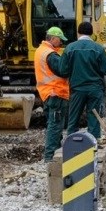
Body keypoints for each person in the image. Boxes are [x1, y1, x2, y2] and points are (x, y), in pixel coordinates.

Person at [62, 21, 106, 141]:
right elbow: (105, 69)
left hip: (77, 89)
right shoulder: (98, 48)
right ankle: (93, 144)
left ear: (78, 33)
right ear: (91, 33)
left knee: (73, 118)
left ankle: (72, 143)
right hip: (95, 89)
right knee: (94, 118)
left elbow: (63, 70)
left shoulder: (70, 48)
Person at [35, 26, 71, 161]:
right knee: (55, 126)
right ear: (53, 38)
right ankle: (50, 157)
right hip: (56, 93)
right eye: (60, 40)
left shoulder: (40, 51)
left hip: (47, 94)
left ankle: (55, 153)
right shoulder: (50, 54)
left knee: (53, 124)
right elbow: (63, 70)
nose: (61, 43)